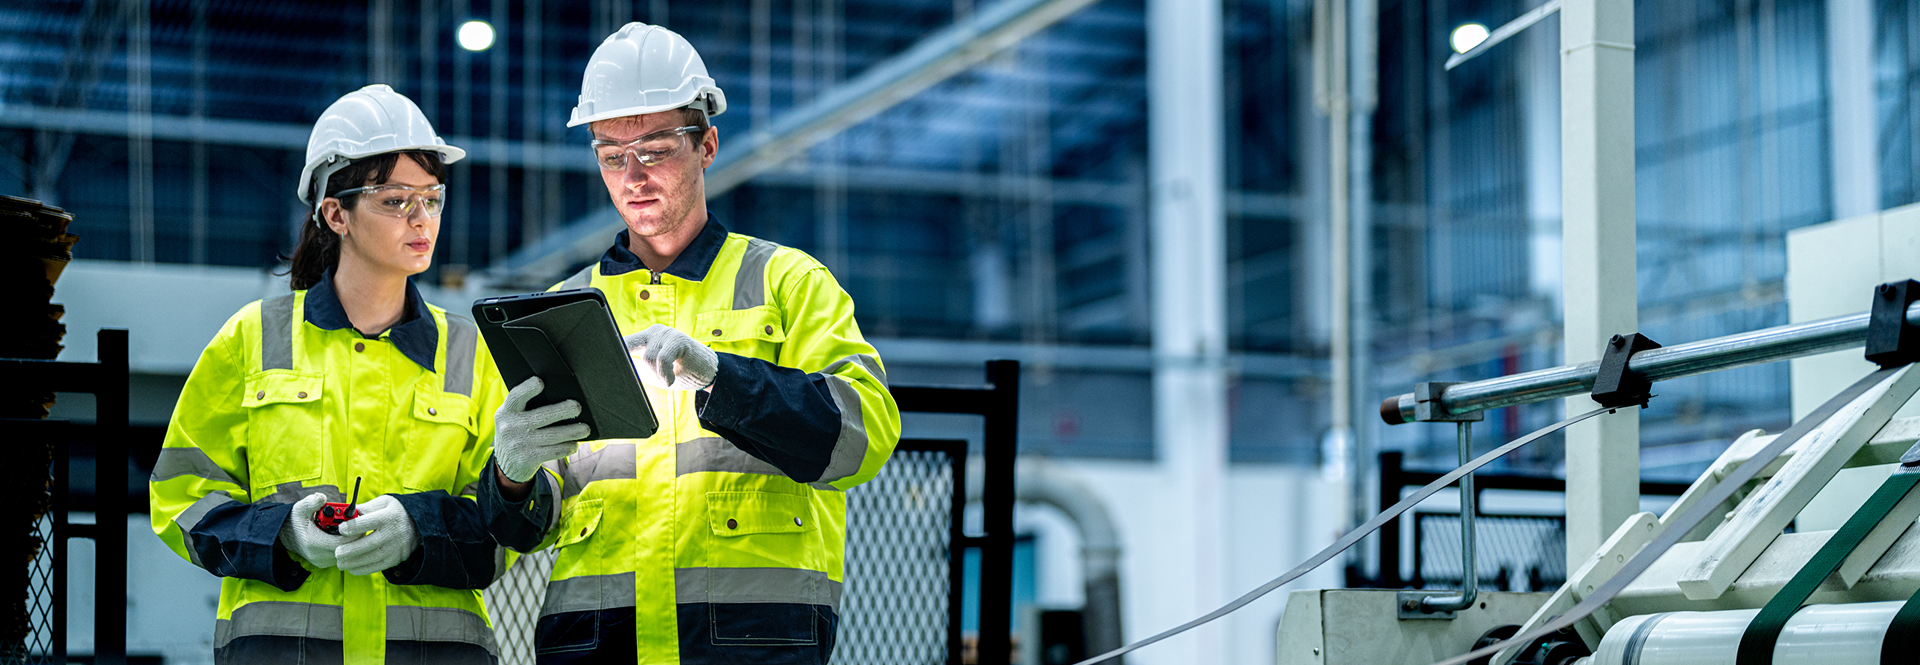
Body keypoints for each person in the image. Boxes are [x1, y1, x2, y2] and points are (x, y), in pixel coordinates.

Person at [476, 22, 902, 664]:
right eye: (611, 155)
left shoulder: (788, 283)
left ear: (706, 145)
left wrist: (723, 378)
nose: (633, 175)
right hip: (598, 646)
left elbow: (862, 438)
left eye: (654, 149)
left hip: (750, 644)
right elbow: (519, 534)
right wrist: (510, 476)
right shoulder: (561, 311)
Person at [149, 84, 510, 663]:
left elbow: (503, 530)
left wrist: (419, 530)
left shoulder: (470, 352)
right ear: (335, 213)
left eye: (432, 198)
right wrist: (282, 535)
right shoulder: (252, 338)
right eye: (395, 201)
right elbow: (179, 498)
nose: (422, 219)